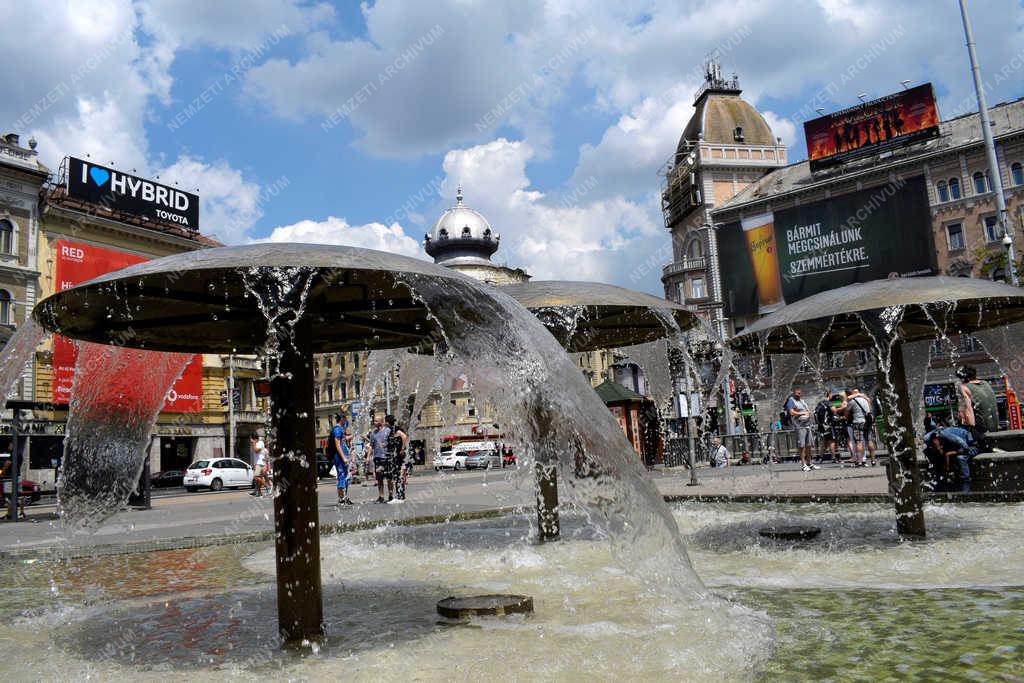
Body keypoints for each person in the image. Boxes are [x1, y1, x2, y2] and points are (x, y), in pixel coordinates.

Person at [957, 365, 998, 453]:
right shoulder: (985, 383)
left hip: (983, 429)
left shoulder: (963, 387)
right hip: (995, 426)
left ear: (963, 378)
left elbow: (969, 411)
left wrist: (970, 428)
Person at [925, 426, 978, 493]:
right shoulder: (929, 439)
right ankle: (940, 484)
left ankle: (966, 487)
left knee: (960, 458)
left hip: (969, 444)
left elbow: (966, 449)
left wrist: (951, 453)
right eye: (934, 446)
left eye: (938, 446)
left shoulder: (949, 437)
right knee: (936, 458)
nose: (938, 447)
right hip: (956, 446)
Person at [786, 388, 817, 471]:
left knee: (809, 445)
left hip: (807, 425)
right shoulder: (791, 401)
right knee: (802, 446)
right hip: (799, 426)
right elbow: (792, 412)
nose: (799, 394)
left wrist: (809, 413)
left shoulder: (802, 401)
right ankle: (803, 464)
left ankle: (809, 463)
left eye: (800, 393)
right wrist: (803, 413)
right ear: (793, 393)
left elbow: (806, 410)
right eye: (797, 393)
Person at [845, 386, 876, 467]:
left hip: (858, 422)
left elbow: (846, 415)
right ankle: (873, 461)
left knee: (859, 442)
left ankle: (859, 461)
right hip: (867, 422)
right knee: (869, 441)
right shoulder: (866, 399)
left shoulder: (852, 401)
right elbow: (870, 409)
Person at [366, 414, 393, 503]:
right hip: (377, 458)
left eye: (376, 421)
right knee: (379, 478)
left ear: (382, 422)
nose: (374, 423)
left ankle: (390, 495)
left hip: (387, 457)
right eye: (374, 421)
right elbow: (371, 446)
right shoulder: (373, 433)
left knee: (389, 478)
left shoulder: (388, 431)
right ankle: (381, 496)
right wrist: (368, 457)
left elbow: (393, 442)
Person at [329, 414, 353, 506]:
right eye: (345, 419)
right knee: (342, 476)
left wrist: (353, 436)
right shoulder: (337, 429)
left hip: (342, 456)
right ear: (342, 419)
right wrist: (343, 457)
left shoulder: (340, 430)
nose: (346, 422)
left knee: (346, 476)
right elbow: (337, 444)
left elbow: (343, 440)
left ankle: (344, 497)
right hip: (339, 457)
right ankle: (341, 499)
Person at [385, 415, 409, 504]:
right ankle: (399, 495)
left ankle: (400, 496)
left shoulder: (396, 429)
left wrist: (402, 449)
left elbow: (404, 437)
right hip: (396, 456)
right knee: (397, 475)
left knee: (399, 475)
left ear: (387, 422)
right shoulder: (392, 430)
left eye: (385, 422)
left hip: (399, 456)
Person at [814, 391, 840, 464]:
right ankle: (834, 458)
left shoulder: (820, 403)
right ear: (829, 395)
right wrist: (841, 407)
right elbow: (834, 410)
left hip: (822, 426)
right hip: (828, 425)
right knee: (831, 441)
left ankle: (820, 457)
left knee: (824, 442)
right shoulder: (828, 402)